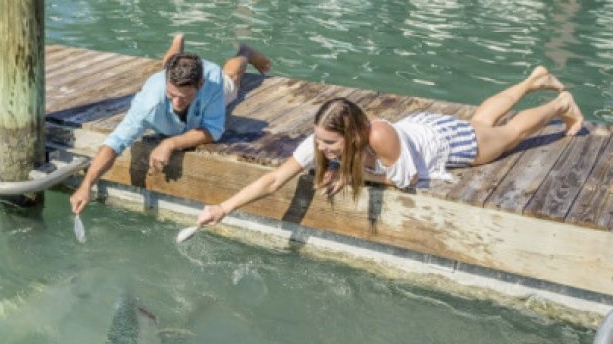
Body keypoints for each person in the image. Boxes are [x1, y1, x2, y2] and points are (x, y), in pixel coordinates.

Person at [195, 66, 585, 229]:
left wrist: (348, 173)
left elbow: (407, 180)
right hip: (418, 131)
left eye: (329, 143)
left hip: (444, 142)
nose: (321, 147)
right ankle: (533, 80)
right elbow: (275, 179)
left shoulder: (378, 136)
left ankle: (557, 104)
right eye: (318, 139)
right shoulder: (325, 140)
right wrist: (223, 208)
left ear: (351, 136)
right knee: (483, 123)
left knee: (505, 137)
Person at [69, 36, 271, 216]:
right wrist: (86, 185)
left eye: (183, 97)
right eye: (171, 95)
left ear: (200, 85)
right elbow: (115, 143)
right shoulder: (148, 104)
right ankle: (177, 42)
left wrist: (170, 143)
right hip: (162, 82)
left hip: (212, 84)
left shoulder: (211, 82)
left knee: (233, 80)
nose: (176, 103)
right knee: (167, 67)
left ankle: (245, 52)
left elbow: (214, 130)